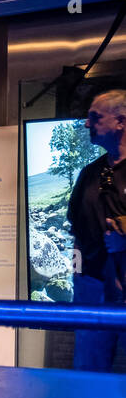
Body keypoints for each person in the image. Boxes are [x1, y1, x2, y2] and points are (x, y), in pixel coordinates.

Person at [67, 89, 126, 371]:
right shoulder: (89, 174)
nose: (87, 124)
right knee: (89, 372)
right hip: (92, 291)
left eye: (95, 117)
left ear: (121, 122)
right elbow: (76, 227)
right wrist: (80, 279)